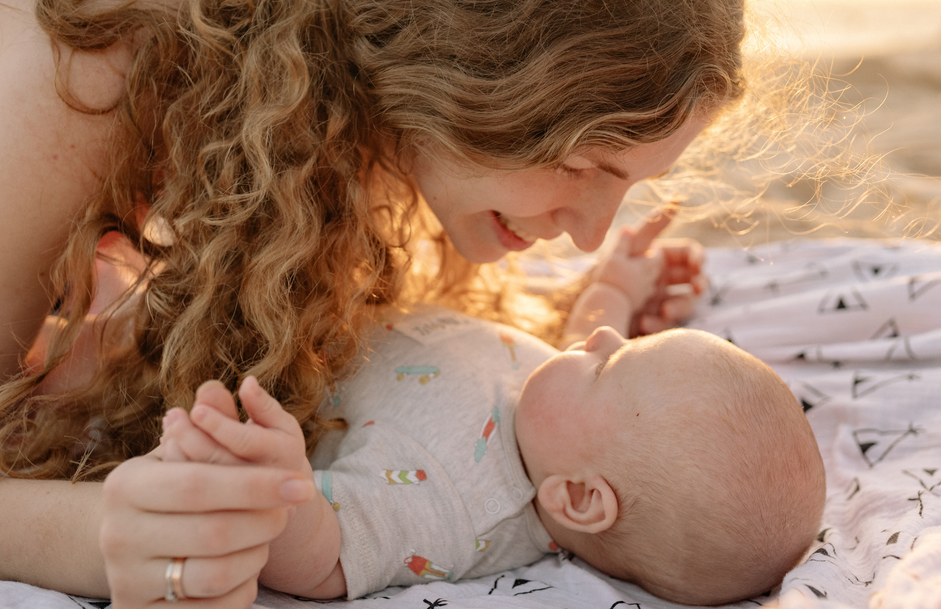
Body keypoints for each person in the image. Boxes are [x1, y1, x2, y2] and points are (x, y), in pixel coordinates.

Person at [0, 0, 746, 606]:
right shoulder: (81, 68)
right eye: (577, 164)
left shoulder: (344, 119)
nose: (590, 237)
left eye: (630, 184)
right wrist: (102, 532)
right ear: (462, 69)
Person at [159, 223, 826, 605]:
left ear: (580, 497)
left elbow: (332, 557)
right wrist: (617, 287)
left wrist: (277, 488)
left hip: (231, 355)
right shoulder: (559, 414)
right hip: (304, 295)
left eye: (610, 364)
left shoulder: (456, 504)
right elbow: (588, 331)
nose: (600, 340)